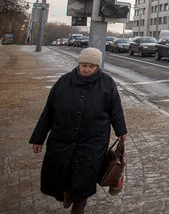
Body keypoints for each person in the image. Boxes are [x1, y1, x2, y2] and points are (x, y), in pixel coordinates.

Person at [29, 47, 127, 213]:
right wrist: (38, 138)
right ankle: (68, 195)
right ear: (78, 64)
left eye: (91, 66)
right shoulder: (64, 82)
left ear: (97, 67)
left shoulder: (106, 83)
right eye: (84, 65)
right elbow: (49, 112)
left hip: (93, 141)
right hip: (63, 139)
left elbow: (115, 109)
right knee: (63, 172)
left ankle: (78, 205)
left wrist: (121, 131)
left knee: (85, 176)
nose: (87, 69)